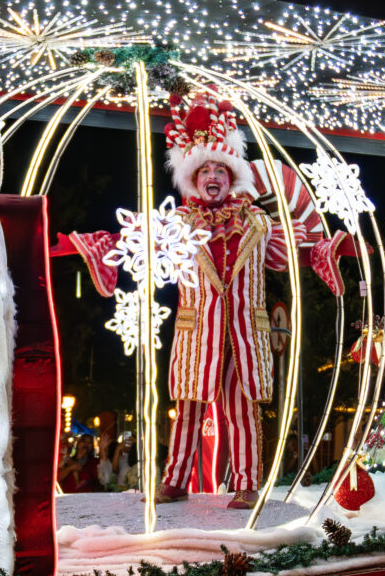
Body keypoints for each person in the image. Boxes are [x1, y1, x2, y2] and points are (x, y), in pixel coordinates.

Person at [70, 90, 346, 509]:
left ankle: (247, 483)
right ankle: (176, 479)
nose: (213, 176)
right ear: (192, 179)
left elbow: (287, 256)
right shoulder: (178, 222)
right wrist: (101, 245)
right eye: (205, 171)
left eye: (221, 169)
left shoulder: (258, 221)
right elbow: (138, 243)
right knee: (188, 411)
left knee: (240, 411)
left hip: (244, 333)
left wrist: (322, 252)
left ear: (232, 177)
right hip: (198, 332)